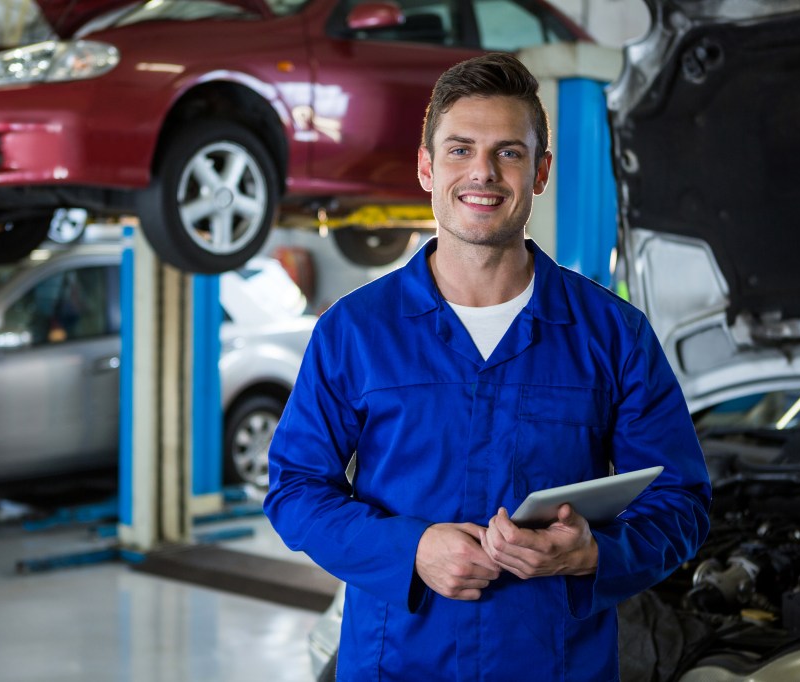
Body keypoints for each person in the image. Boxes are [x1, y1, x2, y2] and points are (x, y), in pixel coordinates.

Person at [264, 53, 711, 682]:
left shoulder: (614, 335)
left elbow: (680, 500)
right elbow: (294, 489)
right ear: (426, 167)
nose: (483, 172)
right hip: (397, 665)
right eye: (459, 150)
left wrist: (591, 556)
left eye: (508, 152)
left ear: (540, 172)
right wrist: (411, 549)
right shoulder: (355, 331)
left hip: (555, 666)